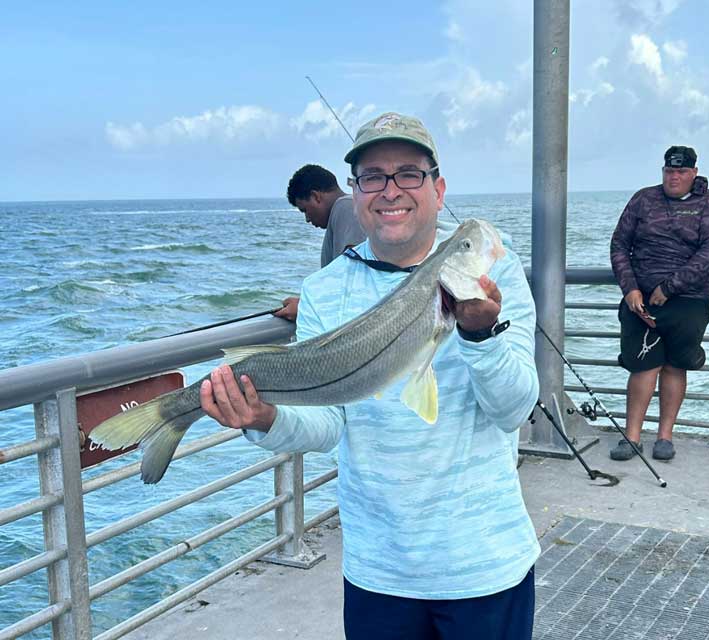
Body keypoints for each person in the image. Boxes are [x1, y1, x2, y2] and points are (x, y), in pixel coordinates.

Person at [199, 112, 540, 639]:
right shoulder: (323, 291)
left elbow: (514, 409)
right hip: (378, 569)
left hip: (483, 563)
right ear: (355, 193)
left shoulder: (498, 274)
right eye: (372, 177)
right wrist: (265, 419)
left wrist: (479, 336)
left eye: (409, 173)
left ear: (438, 187)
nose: (390, 190)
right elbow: (330, 424)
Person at [609, 145, 709, 462]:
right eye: (668, 171)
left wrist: (671, 287)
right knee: (642, 365)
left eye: (680, 172)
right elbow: (619, 244)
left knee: (676, 365)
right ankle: (631, 436)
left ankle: (665, 435)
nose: (673, 177)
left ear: (693, 173)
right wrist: (630, 288)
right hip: (641, 299)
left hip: (688, 299)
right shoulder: (643, 199)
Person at [276, 164, 365, 321]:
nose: (307, 219)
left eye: (305, 210)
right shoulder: (343, 210)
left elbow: (356, 279)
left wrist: (306, 309)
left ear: (316, 196)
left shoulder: (345, 207)